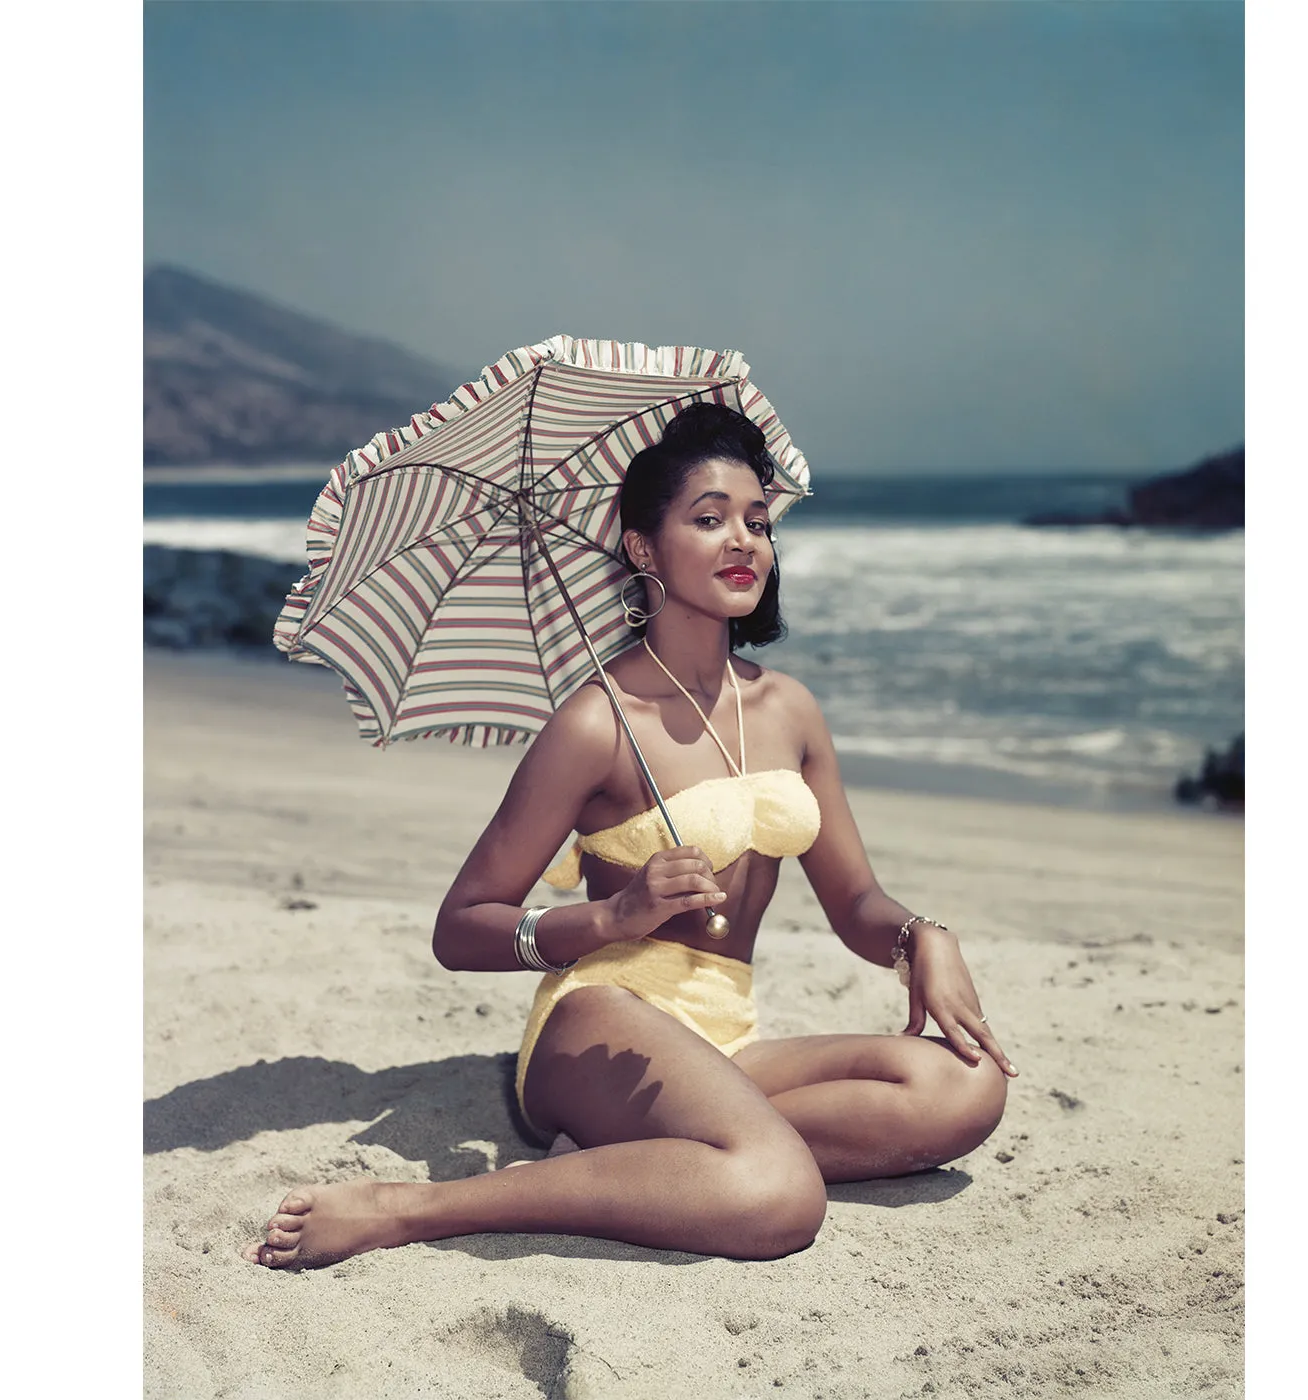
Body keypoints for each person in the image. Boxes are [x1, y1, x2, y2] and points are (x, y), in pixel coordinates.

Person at [243, 403, 1015, 1270]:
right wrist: (611, 921)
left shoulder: (790, 709)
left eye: (757, 522)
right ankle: (413, 1208)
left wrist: (922, 937)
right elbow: (461, 925)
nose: (745, 542)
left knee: (965, 1086)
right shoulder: (594, 724)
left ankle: (643, 1163)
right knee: (778, 1196)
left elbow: (855, 902)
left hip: (728, 1038)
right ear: (643, 549)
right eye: (710, 518)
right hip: (601, 1022)